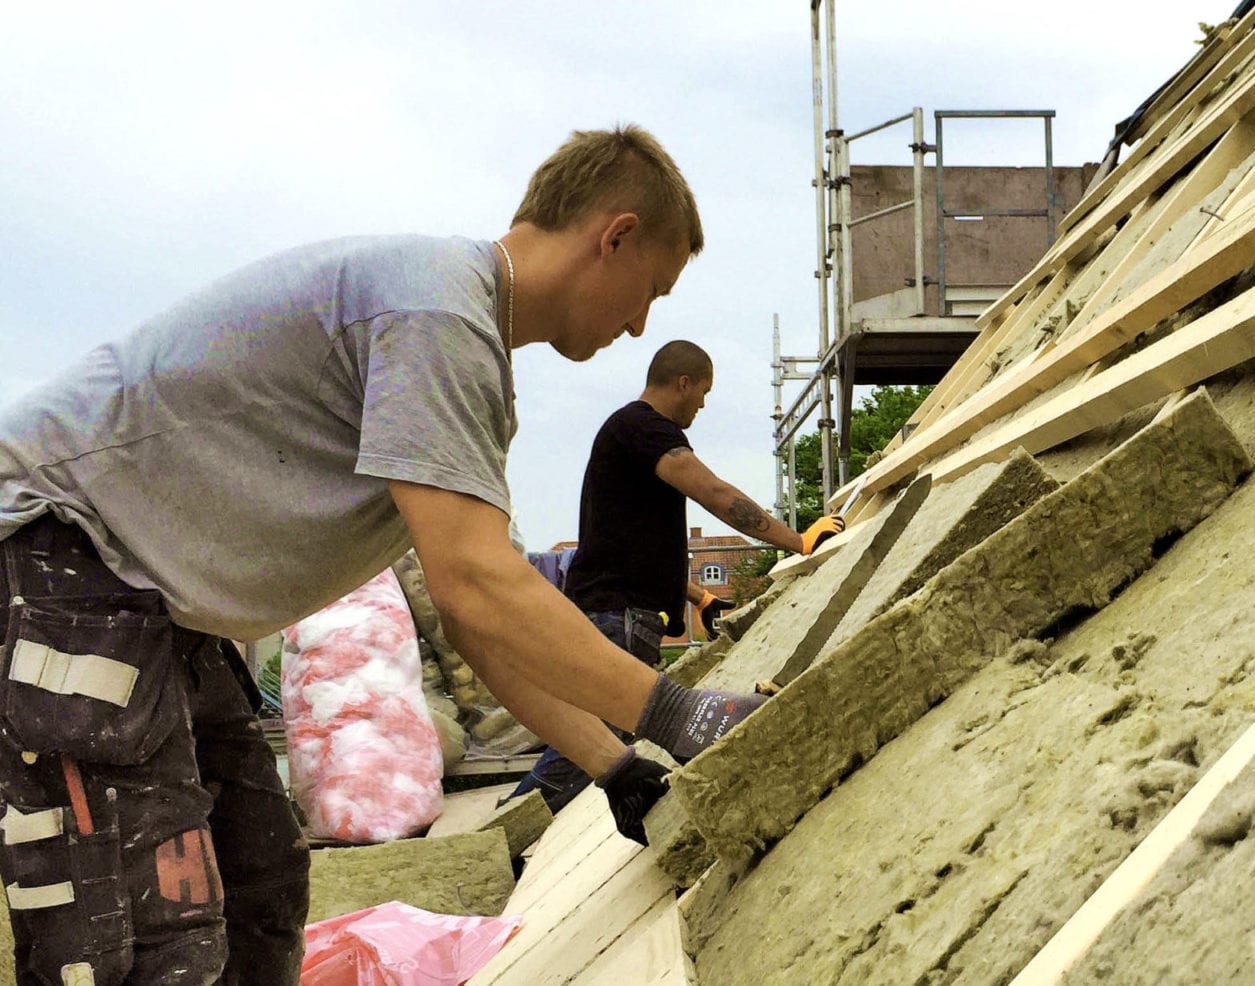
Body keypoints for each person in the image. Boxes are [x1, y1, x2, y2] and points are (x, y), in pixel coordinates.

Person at [0, 125, 805, 984]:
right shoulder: (433, 313)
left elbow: (484, 627)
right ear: (615, 237)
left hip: (151, 601)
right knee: (150, 938)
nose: (640, 321)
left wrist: (614, 765)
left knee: (260, 890)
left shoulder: (467, 359)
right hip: (61, 562)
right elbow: (476, 587)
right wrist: (681, 715)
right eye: (650, 289)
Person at [512, 341, 842, 810]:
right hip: (617, 618)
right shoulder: (644, 427)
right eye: (703, 392)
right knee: (592, 743)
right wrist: (800, 541)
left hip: (616, 613)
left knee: (598, 737)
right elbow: (713, 492)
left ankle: (514, 831)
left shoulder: (629, 434)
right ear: (683, 383)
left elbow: (631, 546)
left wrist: (699, 598)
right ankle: (506, 839)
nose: (703, 404)